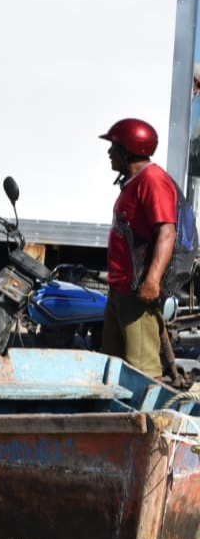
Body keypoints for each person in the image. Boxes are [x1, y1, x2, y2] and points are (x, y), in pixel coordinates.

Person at [100, 117, 175, 380]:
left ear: (129, 149)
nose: (110, 153)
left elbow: (167, 231)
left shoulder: (152, 180)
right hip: (121, 290)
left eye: (114, 147)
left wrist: (153, 279)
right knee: (111, 366)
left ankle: (149, 420)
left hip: (138, 293)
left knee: (142, 373)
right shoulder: (132, 182)